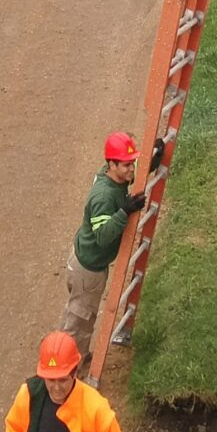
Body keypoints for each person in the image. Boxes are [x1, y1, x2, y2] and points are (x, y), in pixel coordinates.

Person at [59, 132, 146, 371]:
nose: (131, 169)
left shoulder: (110, 176)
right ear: (112, 164)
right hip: (88, 269)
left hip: (85, 263)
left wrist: (152, 162)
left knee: (77, 315)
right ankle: (65, 370)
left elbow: (130, 176)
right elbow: (103, 236)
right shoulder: (104, 197)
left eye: (133, 163)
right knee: (80, 320)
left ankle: (75, 354)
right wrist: (124, 212)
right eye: (127, 165)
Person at [2, 330, 128, 432]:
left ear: (74, 373)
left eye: (62, 380)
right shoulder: (28, 396)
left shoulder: (97, 411)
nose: (56, 388)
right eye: (51, 379)